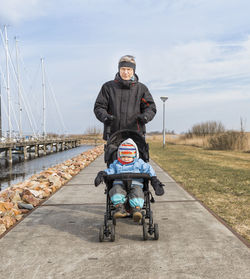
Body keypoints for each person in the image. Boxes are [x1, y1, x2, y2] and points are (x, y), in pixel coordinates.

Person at [94, 138, 164, 222]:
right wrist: (102, 174)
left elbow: (149, 169)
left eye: (128, 156)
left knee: (137, 192)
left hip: (136, 184)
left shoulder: (139, 163)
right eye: (123, 156)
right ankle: (120, 208)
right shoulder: (116, 164)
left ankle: (136, 210)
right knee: (115, 190)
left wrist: (154, 181)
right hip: (119, 185)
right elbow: (110, 171)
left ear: (134, 155)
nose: (126, 158)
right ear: (119, 155)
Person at [94, 55, 157, 140]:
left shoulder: (142, 89)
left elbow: (150, 107)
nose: (126, 72)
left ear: (133, 71)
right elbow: (99, 107)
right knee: (112, 153)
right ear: (119, 69)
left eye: (129, 69)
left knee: (142, 153)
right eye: (123, 69)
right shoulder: (108, 87)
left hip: (136, 135)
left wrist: (146, 116)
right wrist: (105, 117)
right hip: (113, 134)